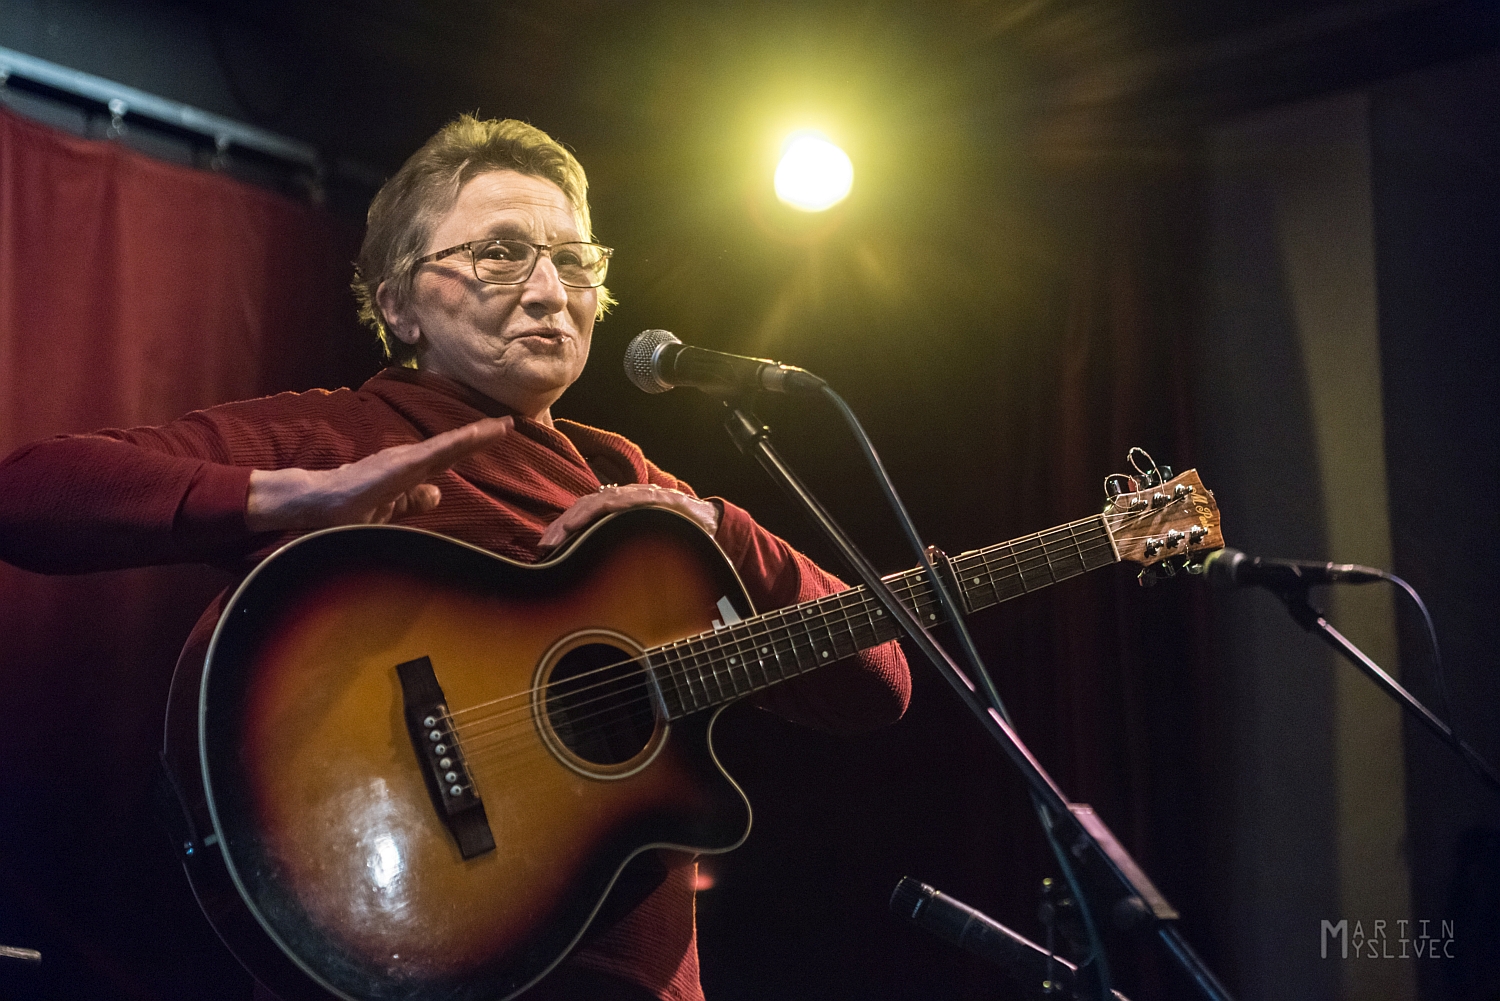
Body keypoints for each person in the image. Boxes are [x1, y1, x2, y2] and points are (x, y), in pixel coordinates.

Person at [0, 116, 909, 1001]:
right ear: (398, 303)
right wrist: (286, 497)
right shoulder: (341, 435)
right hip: (402, 954)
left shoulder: (631, 487)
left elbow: (881, 679)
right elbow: (27, 490)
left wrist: (717, 523)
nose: (550, 290)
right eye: (502, 253)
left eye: (574, 261)